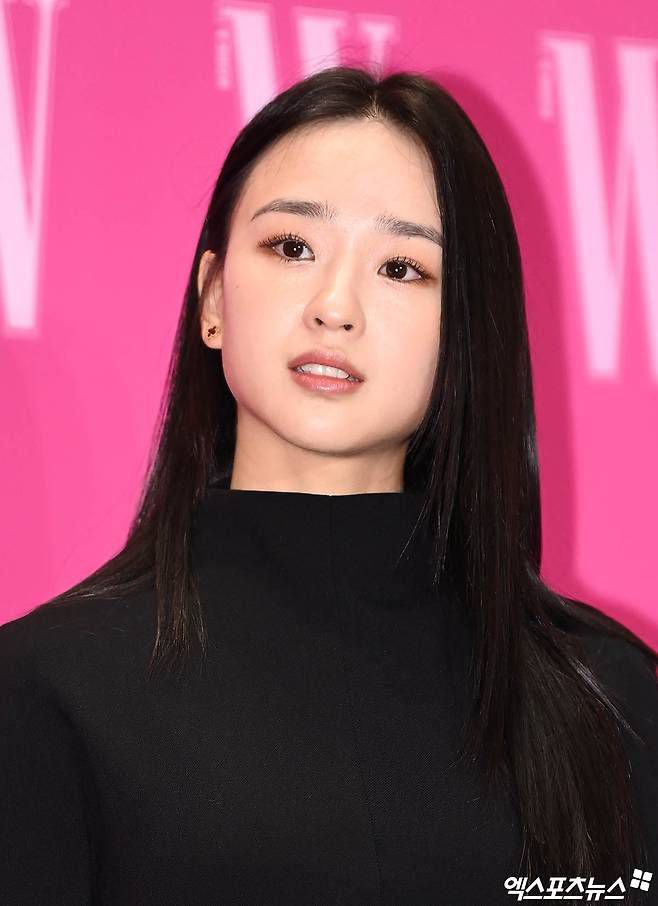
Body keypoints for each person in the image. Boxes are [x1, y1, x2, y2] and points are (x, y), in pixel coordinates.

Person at [1, 64, 656, 906]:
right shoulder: (47, 691)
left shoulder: (608, 698)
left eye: (402, 268)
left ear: (467, 334)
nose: (335, 306)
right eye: (292, 247)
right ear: (212, 298)